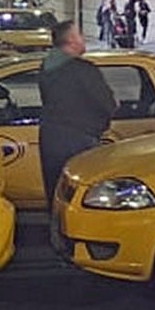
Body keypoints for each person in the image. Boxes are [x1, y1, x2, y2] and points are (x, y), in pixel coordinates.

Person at [36, 21, 116, 210]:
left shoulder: (47, 67)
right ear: (71, 40)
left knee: (56, 195)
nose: (83, 38)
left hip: (51, 136)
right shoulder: (83, 70)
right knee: (82, 199)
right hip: (79, 139)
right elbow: (107, 103)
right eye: (79, 34)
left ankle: (56, 235)